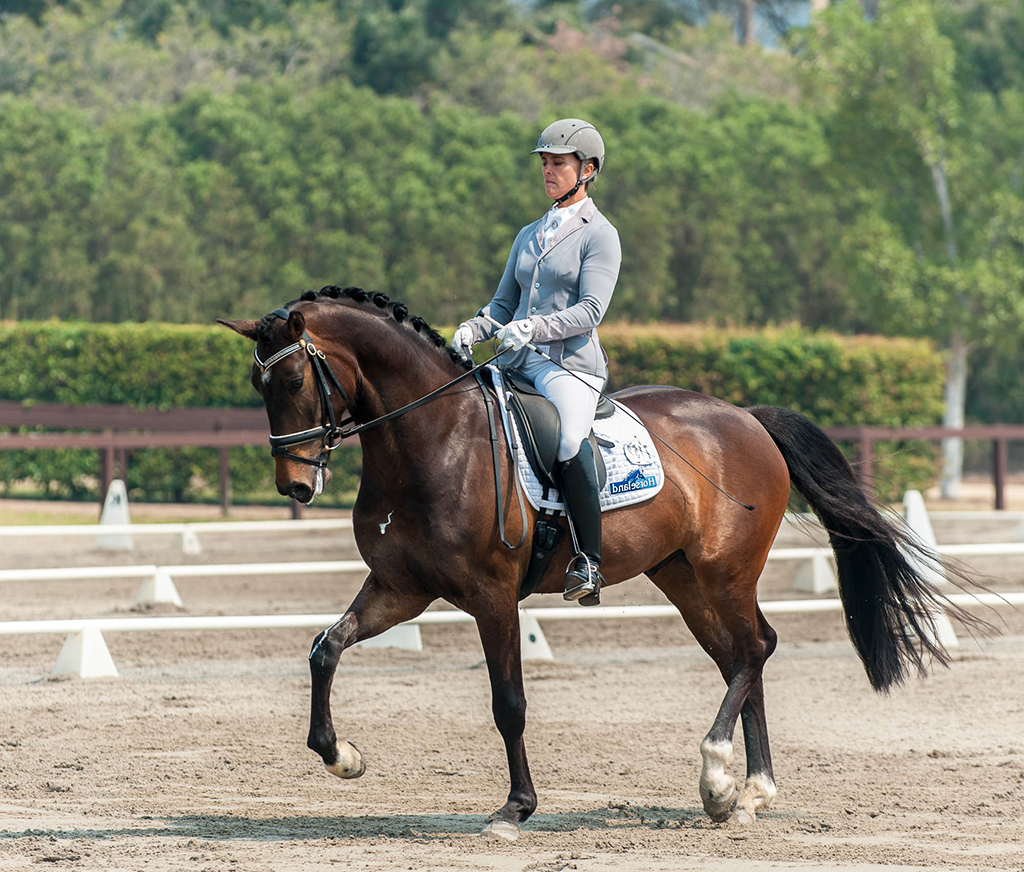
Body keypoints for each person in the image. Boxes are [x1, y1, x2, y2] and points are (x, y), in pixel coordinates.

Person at [452, 118, 621, 605]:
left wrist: (536, 327)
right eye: (545, 163)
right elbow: (502, 305)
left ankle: (588, 560)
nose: (548, 170)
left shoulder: (600, 234)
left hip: (571, 367)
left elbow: (591, 310)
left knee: (569, 440)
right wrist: (474, 328)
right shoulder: (529, 233)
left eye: (558, 163)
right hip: (518, 361)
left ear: (586, 170)